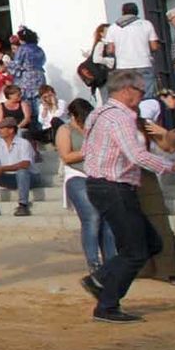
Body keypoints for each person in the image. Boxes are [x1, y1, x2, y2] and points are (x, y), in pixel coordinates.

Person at [79, 69, 175, 323]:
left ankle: (101, 281)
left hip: (105, 184)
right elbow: (136, 156)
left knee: (149, 244)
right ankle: (107, 304)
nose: (142, 96)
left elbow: (88, 148)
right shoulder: (120, 118)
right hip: (113, 185)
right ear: (126, 90)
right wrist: (173, 165)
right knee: (135, 250)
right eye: (140, 91)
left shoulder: (98, 112)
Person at [58, 98, 115, 276]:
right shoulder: (65, 129)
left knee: (107, 219)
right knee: (92, 217)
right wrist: (90, 150)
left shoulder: (96, 129)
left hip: (99, 175)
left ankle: (111, 261)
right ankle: (94, 262)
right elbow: (66, 157)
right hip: (77, 175)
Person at [0, 119, 36, 216]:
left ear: (11, 130)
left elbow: (25, 164)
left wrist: (2, 169)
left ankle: (23, 205)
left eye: (2, 129)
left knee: (22, 172)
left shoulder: (24, 143)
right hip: (10, 177)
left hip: (30, 178)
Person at [105, 3, 161, 98]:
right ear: (137, 12)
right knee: (146, 95)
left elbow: (110, 49)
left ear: (123, 12)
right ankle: (144, 112)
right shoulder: (146, 24)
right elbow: (154, 46)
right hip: (144, 63)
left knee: (127, 95)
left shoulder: (113, 27)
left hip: (123, 65)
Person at [12, 27, 47, 118]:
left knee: (28, 103)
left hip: (27, 77)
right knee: (39, 100)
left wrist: (8, 66)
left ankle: (32, 126)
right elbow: (43, 61)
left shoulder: (22, 49)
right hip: (40, 75)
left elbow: (16, 64)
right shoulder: (39, 49)